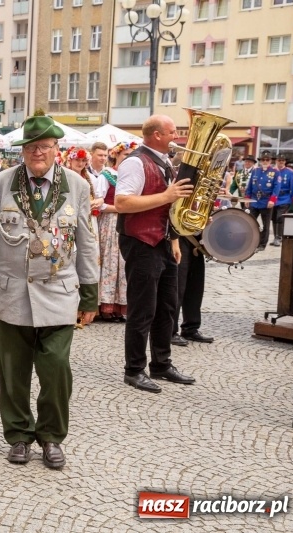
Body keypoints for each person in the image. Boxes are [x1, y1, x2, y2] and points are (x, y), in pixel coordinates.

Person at [0, 116, 99, 468]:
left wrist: (89, 294)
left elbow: (86, 243)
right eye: (30, 147)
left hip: (59, 293)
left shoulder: (77, 186)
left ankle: (52, 436)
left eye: (44, 147)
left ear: (57, 150)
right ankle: (19, 436)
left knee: (56, 368)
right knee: (13, 372)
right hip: (12, 294)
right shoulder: (0, 184)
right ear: (21, 150)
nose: (37, 153)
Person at [114, 114, 196, 394]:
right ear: (157, 135)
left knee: (167, 307)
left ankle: (161, 364)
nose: (177, 137)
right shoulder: (135, 162)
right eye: (173, 132)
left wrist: (173, 239)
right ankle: (134, 369)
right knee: (143, 309)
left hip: (162, 241)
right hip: (140, 242)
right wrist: (167, 196)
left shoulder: (163, 162)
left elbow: (168, 209)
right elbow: (122, 202)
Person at [96, 141, 137, 321]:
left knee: (123, 264)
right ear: (117, 156)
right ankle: (106, 306)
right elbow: (99, 203)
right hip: (111, 222)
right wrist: (120, 208)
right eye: (125, 155)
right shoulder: (107, 175)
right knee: (110, 262)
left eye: (131, 155)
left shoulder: (133, 175)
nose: (128, 158)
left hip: (128, 221)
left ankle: (120, 306)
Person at [245, 154, 278, 252]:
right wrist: (247, 198)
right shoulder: (256, 171)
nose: (265, 161)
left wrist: (272, 200)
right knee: (250, 221)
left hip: (266, 201)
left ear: (270, 161)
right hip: (254, 201)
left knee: (265, 225)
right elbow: (250, 185)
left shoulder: (275, 172)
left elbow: (277, 187)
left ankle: (262, 244)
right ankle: (250, 241)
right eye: (263, 159)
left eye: (267, 160)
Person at [270, 154, 293, 246]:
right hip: (274, 198)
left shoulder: (290, 173)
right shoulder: (272, 172)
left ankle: (279, 238)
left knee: (280, 217)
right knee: (274, 217)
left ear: (285, 162)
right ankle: (276, 237)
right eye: (279, 160)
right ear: (276, 161)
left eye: (283, 160)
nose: (281, 162)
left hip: (285, 198)